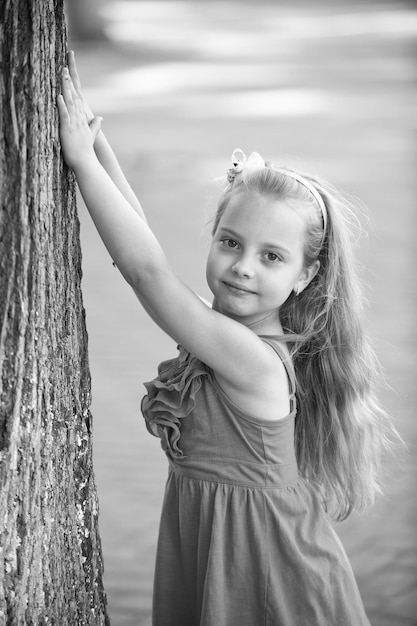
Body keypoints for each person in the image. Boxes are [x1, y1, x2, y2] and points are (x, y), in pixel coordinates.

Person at [58, 51, 398, 626]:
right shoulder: (230, 332)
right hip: (222, 545)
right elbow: (146, 245)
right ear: (213, 235)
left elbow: (148, 274)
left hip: (269, 570)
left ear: (305, 277)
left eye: (271, 257)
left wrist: (81, 165)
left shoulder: (253, 358)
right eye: (231, 242)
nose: (243, 267)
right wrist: (95, 147)